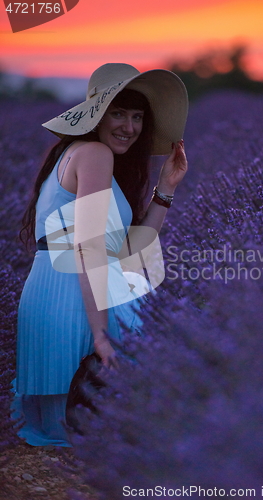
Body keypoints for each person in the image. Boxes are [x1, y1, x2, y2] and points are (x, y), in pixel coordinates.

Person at [12, 63, 188, 447]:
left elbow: (129, 251)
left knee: (82, 440)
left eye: (138, 116)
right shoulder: (94, 154)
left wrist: (165, 188)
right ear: (96, 115)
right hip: (74, 300)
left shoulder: (78, 154)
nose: (130, 126)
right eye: (119, 113)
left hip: (60, 293)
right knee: (102, 441)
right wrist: (101, 335)